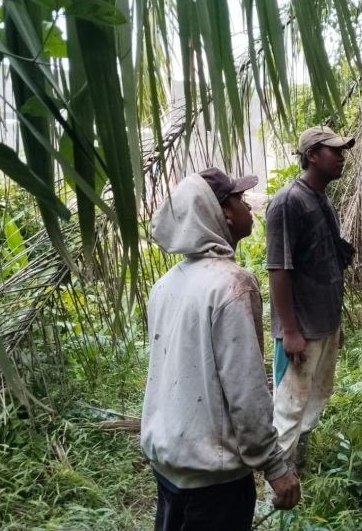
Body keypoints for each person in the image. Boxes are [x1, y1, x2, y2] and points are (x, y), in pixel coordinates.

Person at [141, 168, 300, 531]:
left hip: (169, 469)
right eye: (239, 199)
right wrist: (275, 466)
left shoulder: (164, 286)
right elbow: (246, 389)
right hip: (215, 481)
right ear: (223, 213)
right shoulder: (232, 285)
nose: (246, 206)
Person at [266, 125, 355, 471]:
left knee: (313, 400)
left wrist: (335, 323)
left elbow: (327, 265)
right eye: (335, 151)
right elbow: (278, 269)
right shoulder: (288, 202)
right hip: (300, 330)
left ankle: (297, 469)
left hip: (324, 325)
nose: (342, 157)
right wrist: (289, 330)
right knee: (289, 408)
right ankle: (279, 486)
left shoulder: (321, 200)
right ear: (313, 155)